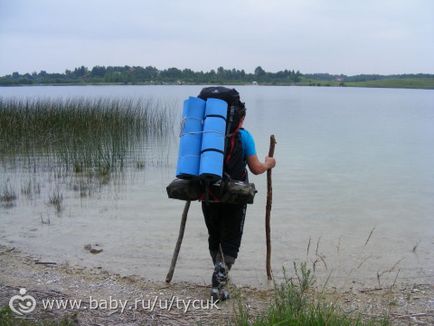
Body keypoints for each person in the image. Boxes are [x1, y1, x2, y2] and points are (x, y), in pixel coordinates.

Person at [200, 89, 276, 300]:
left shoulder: (204, 137)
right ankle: (219, 283)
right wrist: (270, 162)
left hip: (208, 195)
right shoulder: (244, 136)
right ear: (240, 117)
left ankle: (219, 271)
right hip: (235, 196)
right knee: (231, 238)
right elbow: (256, 168)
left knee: (214, 235)